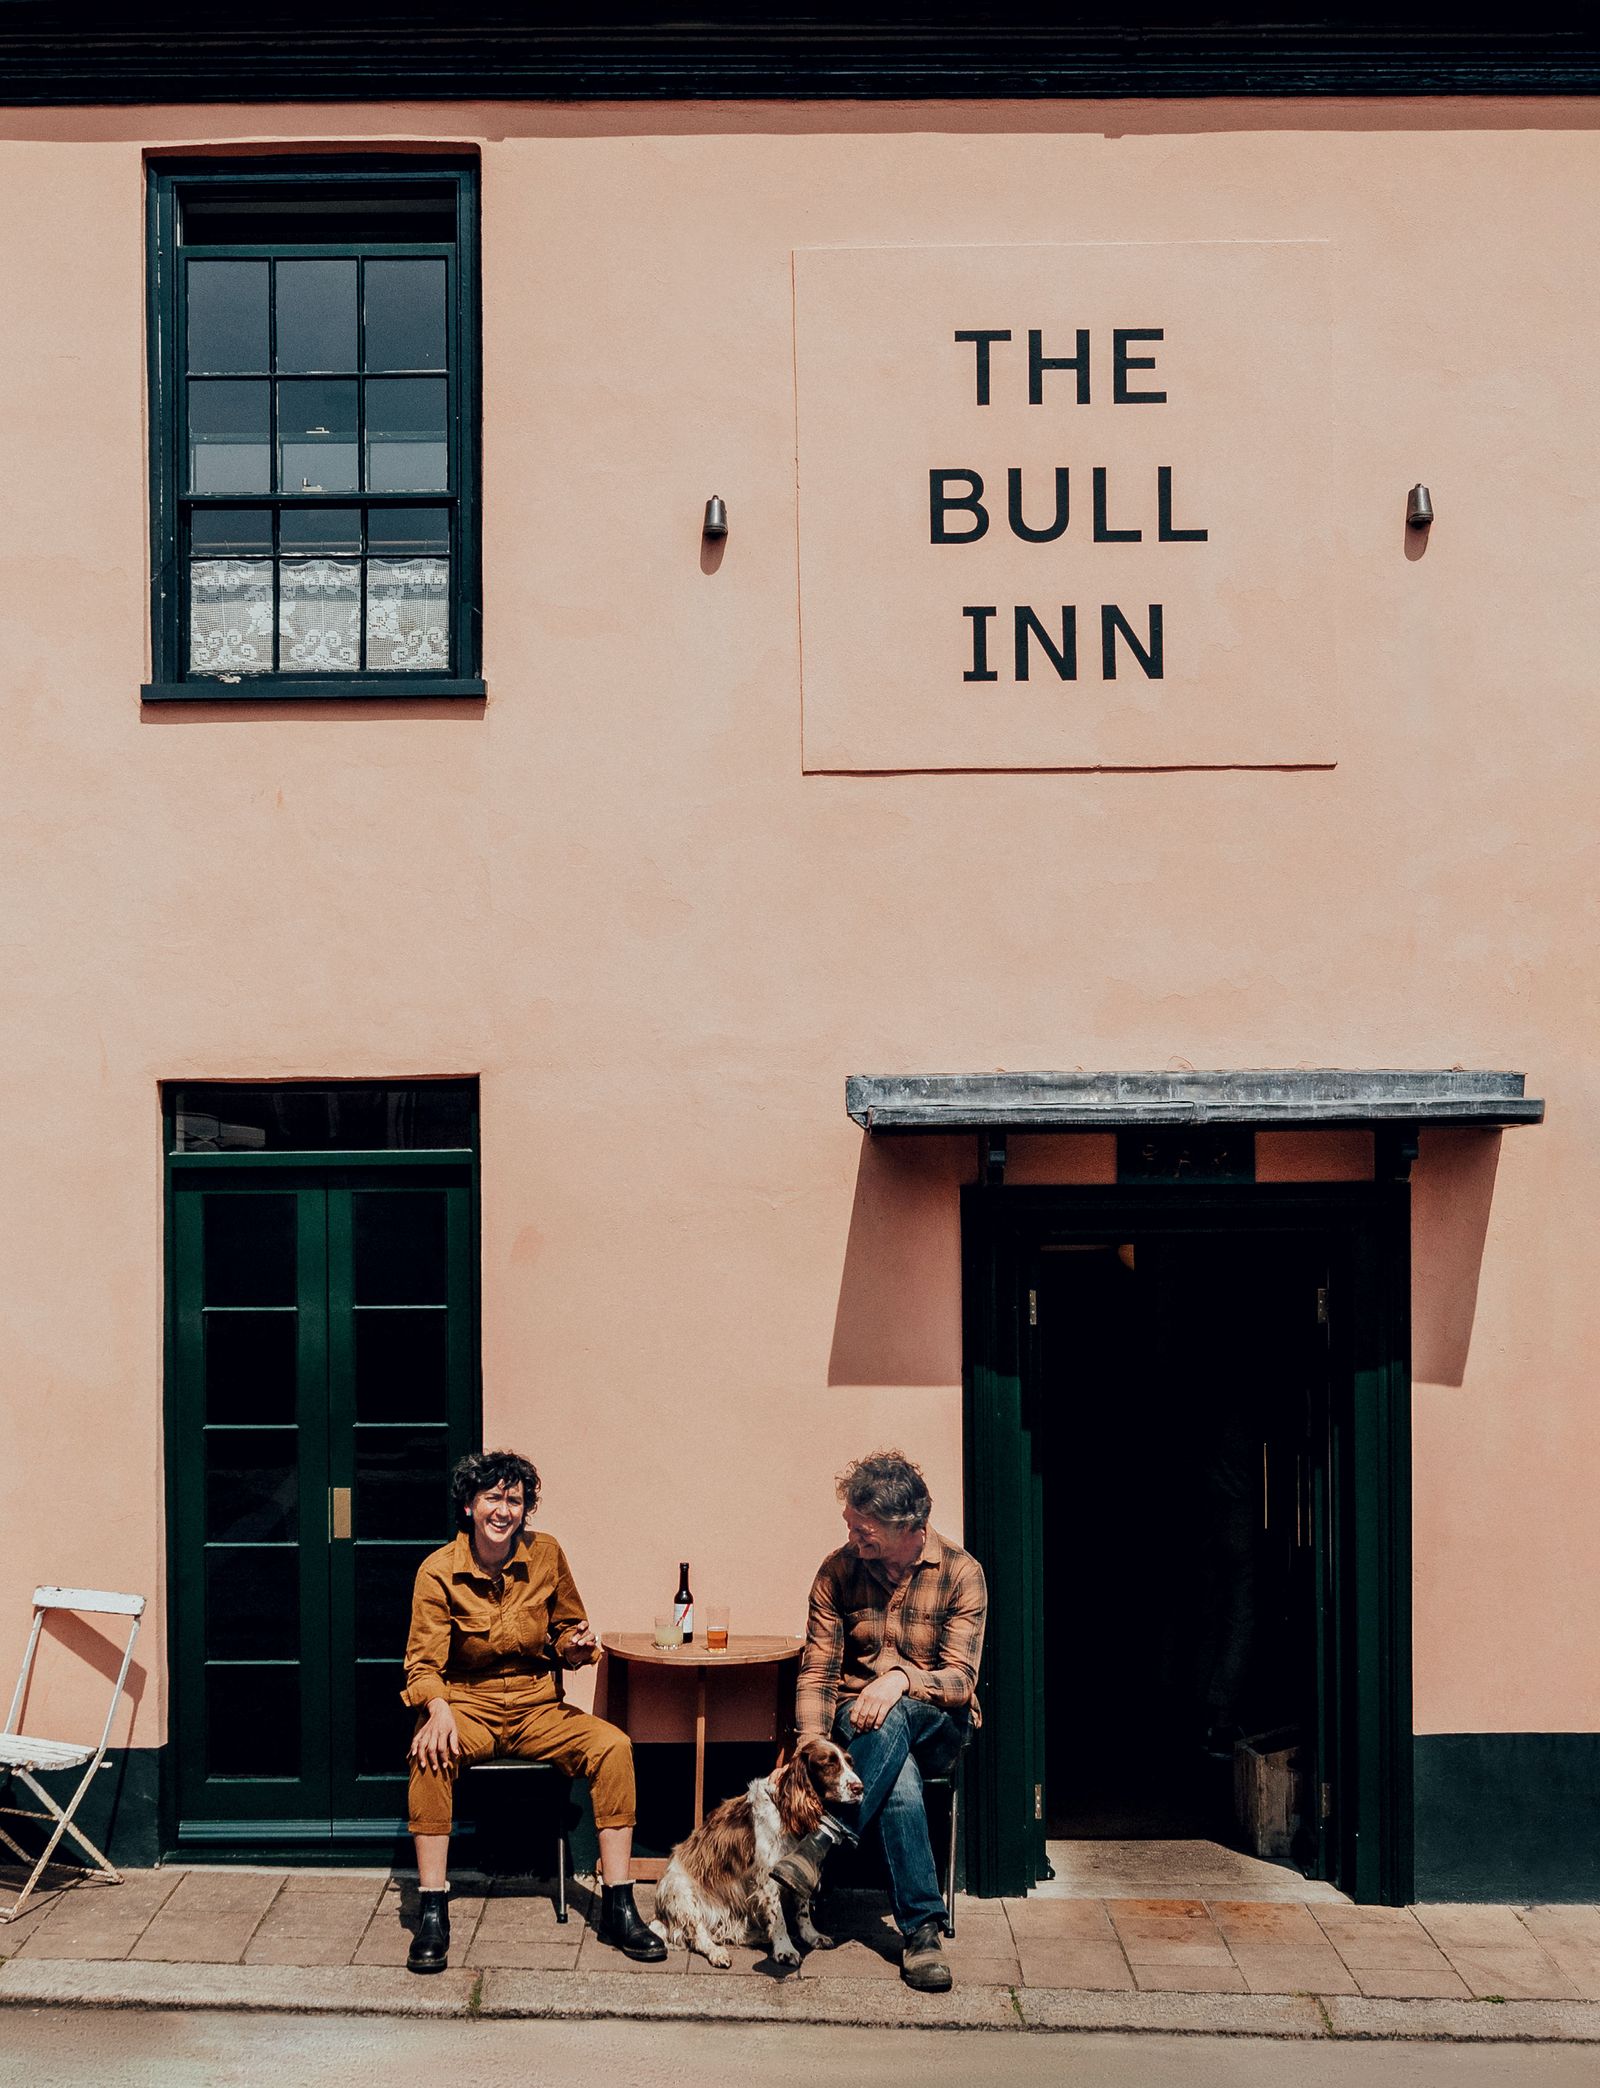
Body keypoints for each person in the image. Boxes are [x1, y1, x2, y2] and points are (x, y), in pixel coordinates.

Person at [402, 1448, 665, 1971]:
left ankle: (619, 1904)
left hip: (536, 1707)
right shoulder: (437, 1572)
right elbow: (422, 1663)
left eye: (515, 1500)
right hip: (467, 1707)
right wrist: (437, 1710)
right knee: (429, 1757)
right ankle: (432, 1910)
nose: (504, 1510)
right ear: (470, 1506)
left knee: (613, 1747)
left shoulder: (546, 1554)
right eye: (493, 1498)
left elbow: (571, 1630)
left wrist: (574, 1644)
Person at [774, 1450, 987, 1993]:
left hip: (939, 1721)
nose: (851, 1535)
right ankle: (922, 1934)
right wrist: (810, 1744)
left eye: (862, 1528)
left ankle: (820, 1842)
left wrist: (898, 1681)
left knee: (897, 1717)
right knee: (898, 1773)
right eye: (850, 1523)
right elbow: (819, 1667)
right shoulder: (838, 1570)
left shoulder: (961, 1573)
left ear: (907, 1527)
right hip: (858, 1724)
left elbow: (961, 1681)